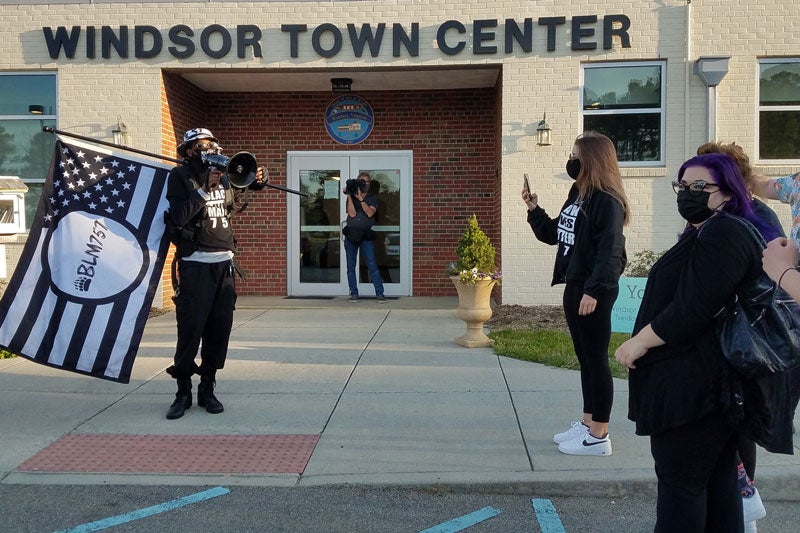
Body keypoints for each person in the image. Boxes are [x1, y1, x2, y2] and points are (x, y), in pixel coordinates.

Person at [614, 153, 782, 532]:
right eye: (682, 185)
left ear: (727, 192)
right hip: (706, 389)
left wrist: (639, 342)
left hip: (696, 392)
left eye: (699, 187)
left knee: (681, 487)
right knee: (716, 484)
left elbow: (694, 306)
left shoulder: (725, 232)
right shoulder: (710, 230)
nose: (687, 193)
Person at [523, 132, 629, 456]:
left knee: (596, 360)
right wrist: (533, 208)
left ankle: (599, 435)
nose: (570, 162)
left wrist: (594, 291)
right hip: (575, 284)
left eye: (575, 156)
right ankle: (587, 423)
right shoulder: (578, 193)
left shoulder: (607, 201)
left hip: (593, 289)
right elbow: (556, 233)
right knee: (585, 359)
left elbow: (611, 252)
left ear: (591, 161)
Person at [696, 141, 774, 530]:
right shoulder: (721, 216)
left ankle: (744, 500)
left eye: (704, 181)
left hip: (745, 343)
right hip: (729, 341)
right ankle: (739, 501)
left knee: (737, 422)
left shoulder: (749, 219)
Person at [163, 127, 266, 420]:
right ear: (189, 151)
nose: (208, 151)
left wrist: (259, 178)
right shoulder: (180, 176)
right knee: (190, 330)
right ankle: (183, 390)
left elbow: (245, 186)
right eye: (200, 147)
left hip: (225, 264)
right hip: (195, 264)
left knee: (218, 331)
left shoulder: (224, 174)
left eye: (211, 146)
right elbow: (179, 216)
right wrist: (203, 189)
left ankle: (207, 388)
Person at [344, 171, 386, 303]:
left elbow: (369, 213)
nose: (365, 184)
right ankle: (354, 293)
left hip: (366, 236)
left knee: (372, 265)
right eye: (362, 182)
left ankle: (379, 293)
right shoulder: (351, 197)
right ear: (358, 182)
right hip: (351, 235)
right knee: (351, 267)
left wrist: (361, 199)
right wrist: (350, 195)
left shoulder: (372, 198)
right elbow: (351, 214)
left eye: (367, 182)